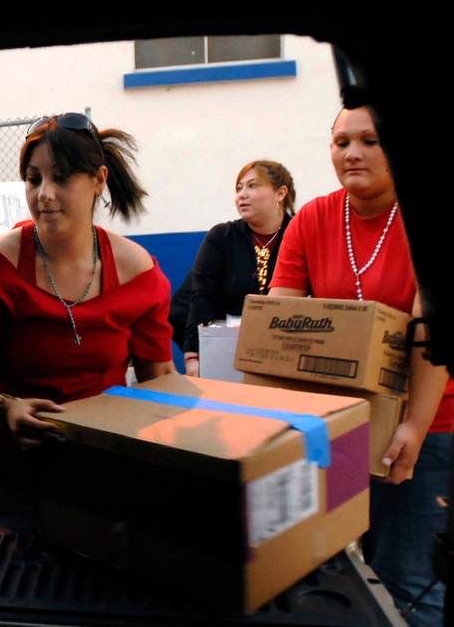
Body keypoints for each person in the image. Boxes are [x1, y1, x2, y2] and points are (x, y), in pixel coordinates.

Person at [0, 112, 176, 530]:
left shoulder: (139, 273)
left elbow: (159, 379)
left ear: (99, 180)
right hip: (5, 467)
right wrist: (6, 408)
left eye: (62, 177)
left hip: (99, 464)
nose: (45, 194)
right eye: (34, 180)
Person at [269, 101, 454, 627]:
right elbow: (280, 324)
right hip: (334, 425)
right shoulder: (312, 219)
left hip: (427, 426)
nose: (352, 153)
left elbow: (431, 334)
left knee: (408, 582)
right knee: (332, 577)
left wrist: (415, 427)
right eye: (341, 141)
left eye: (370, 141)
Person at [178, 160, 296, 377]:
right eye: (239, 188)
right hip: (228, 355)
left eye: (252, 186)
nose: (242, 194)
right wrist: (193, 355)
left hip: (287, 354)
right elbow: (202, 297)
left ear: (280, 193)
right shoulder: (222, 237)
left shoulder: (300, 234)